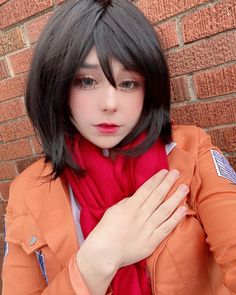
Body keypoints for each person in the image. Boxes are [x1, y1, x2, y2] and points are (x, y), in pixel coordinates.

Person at [2, 0, 236, 294]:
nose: (110, 104)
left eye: (128, 83)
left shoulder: (191, 153)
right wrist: (95, 261)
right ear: (57, 86)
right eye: (87, 81)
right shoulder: (28, 192)